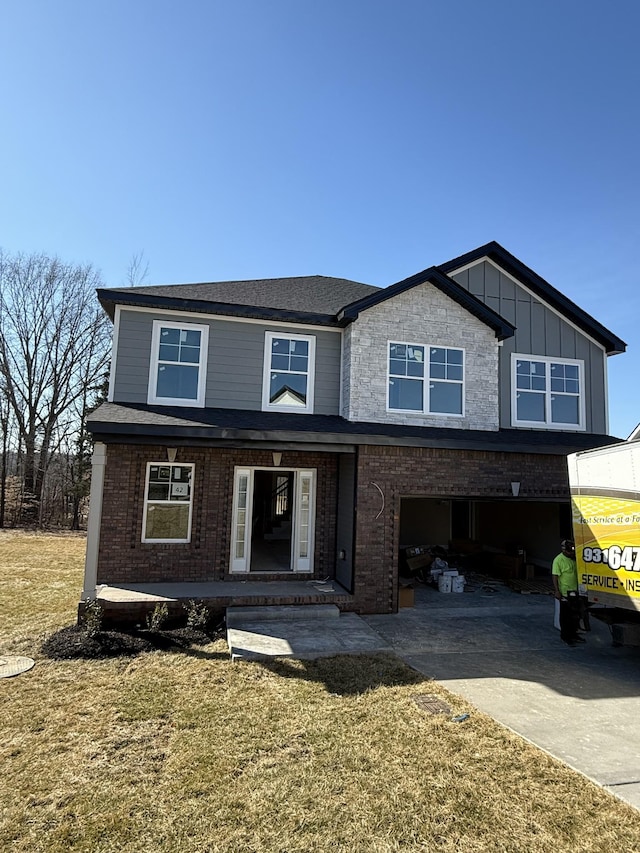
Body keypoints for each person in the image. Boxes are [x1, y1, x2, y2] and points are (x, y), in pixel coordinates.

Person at [552, 539, 584, 647]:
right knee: (565, 616)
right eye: (569, 552)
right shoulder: (558, 560)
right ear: (564, 550)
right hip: (565, 592)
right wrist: (557, 591)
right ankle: (565, 636)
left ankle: (574, 634)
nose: (571, 553)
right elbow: (555, 576)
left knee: (575, 615)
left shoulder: (574, 559)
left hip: (576, 590)